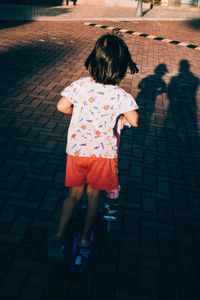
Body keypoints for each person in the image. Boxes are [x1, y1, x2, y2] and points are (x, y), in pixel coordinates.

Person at [48, 33, 139, 263]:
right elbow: (135, 120)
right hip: (102, 154)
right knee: (93, 196)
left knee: (74, 194)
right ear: (120, 67)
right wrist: (121, 117)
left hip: (76, 150)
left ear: (94, 60)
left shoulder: (79, 85)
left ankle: (58, 235)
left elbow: (61, 106)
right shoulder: (120, 95)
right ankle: (86, 237)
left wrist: (76, 114)